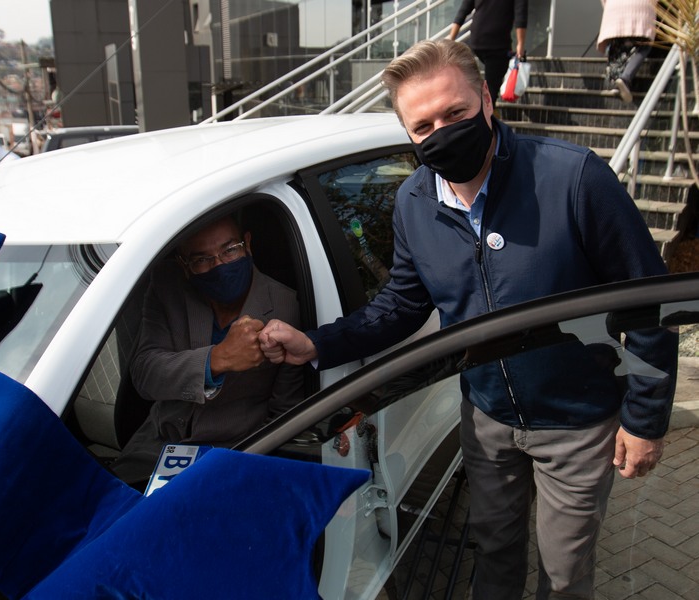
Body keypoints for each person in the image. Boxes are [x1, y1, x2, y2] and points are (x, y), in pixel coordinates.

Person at [258, 39, 678, 599]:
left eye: (455, 113)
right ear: (408, 133)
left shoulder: (572, 179)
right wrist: (316, 345)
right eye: (423, 125)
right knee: (494, 552)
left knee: (564, 571)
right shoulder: (413, 202)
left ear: (486, 99)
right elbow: (402, 306)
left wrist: (646, 419)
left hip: (576, 421)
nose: (442, 132)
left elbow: (651, 301)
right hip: (485, 418)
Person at [110, 215, 304, 487]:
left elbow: (286, 412)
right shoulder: (167, 286)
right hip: (157, 445)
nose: (220, 265)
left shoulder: (286, 306)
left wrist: (248, 463)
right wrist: (217, 359)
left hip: (236, 451)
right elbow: (144, 372)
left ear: (247, 244)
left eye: (229, 250)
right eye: (202, 259)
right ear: (184, 265)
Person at [448, 0, 528, 106]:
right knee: (492, 87)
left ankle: (485, 109)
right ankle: (486, 115)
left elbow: (463, 10)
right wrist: (520, 45)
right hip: (497, 43)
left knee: (488, 81)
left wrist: (451, 39)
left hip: (477, 40)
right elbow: (520, 15)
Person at [597, 0, 657, 104]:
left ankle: (616, 82)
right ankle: (625, 78)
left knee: (618, 44)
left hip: (614, 7)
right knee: (644, 45)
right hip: (640, 7)